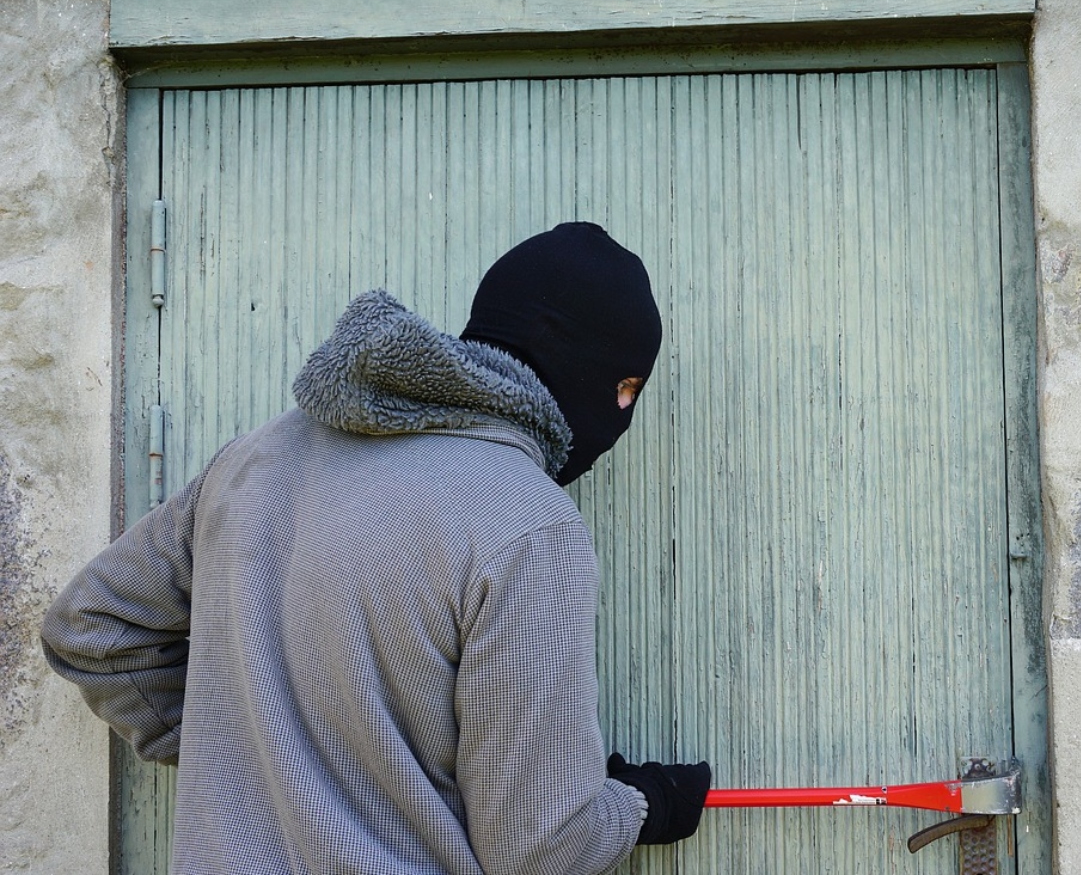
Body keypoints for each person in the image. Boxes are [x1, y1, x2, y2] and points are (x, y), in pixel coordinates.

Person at [41, 222, 710, 874]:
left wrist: (257, 749)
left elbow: (93, 630)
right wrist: (644, 805)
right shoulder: (531, 524)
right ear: (592, 371)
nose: (621, 410)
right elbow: (537, 848)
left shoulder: (256, 460)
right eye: (627, 389)